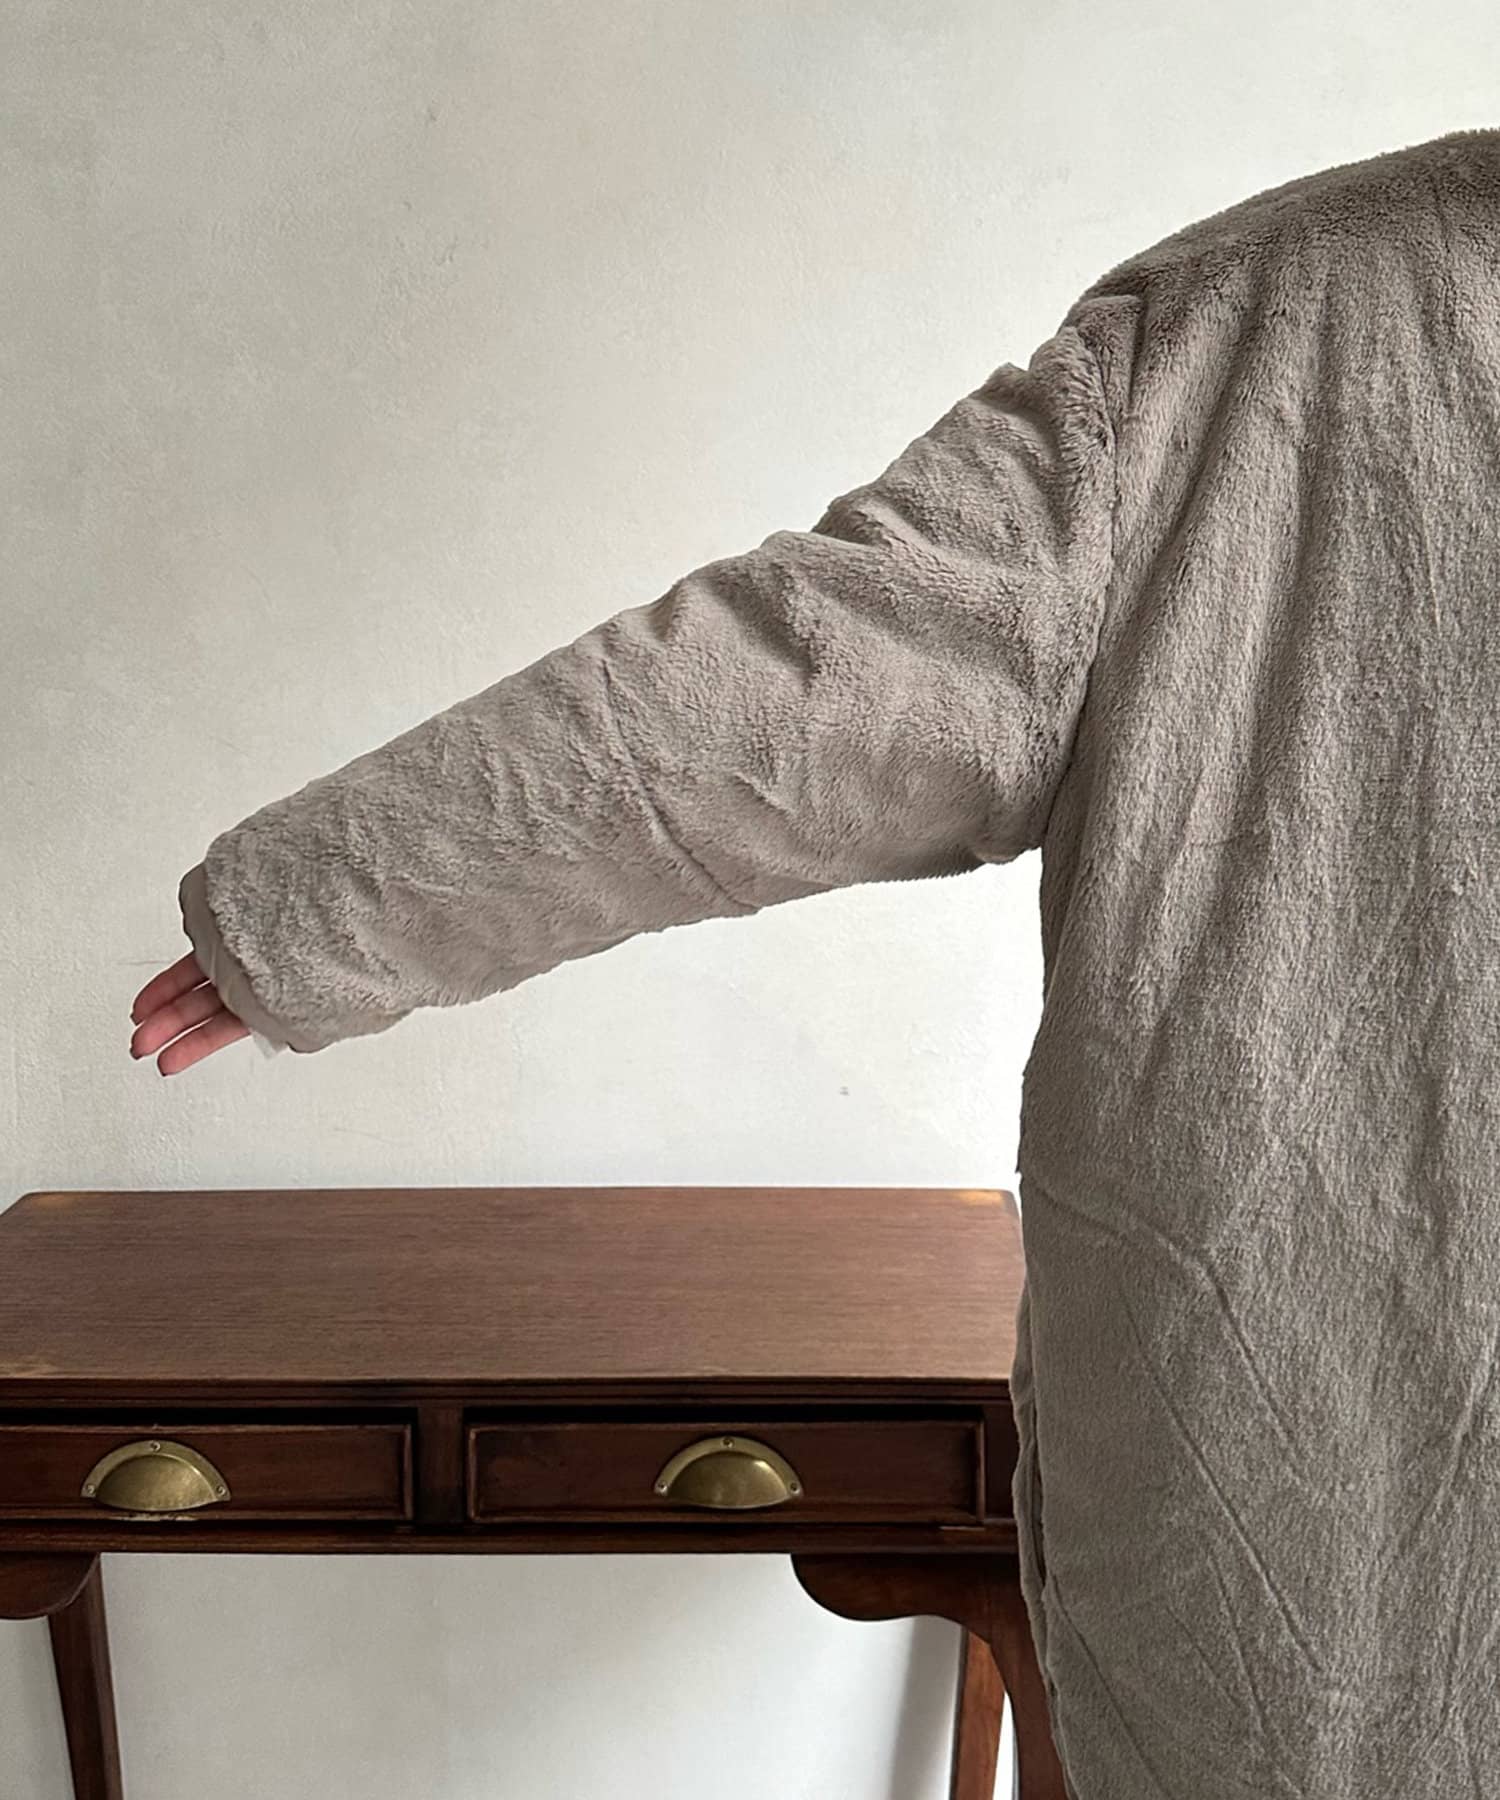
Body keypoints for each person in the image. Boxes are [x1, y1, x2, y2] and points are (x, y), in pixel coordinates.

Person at [128, 126, 1500, 1797]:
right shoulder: (1259, 330)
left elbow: (796, 684)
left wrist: (319, 907)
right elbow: (794, 691)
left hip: (1306, 1519)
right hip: (1319, 1486)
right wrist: (332, 899)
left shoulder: (1270, 317)